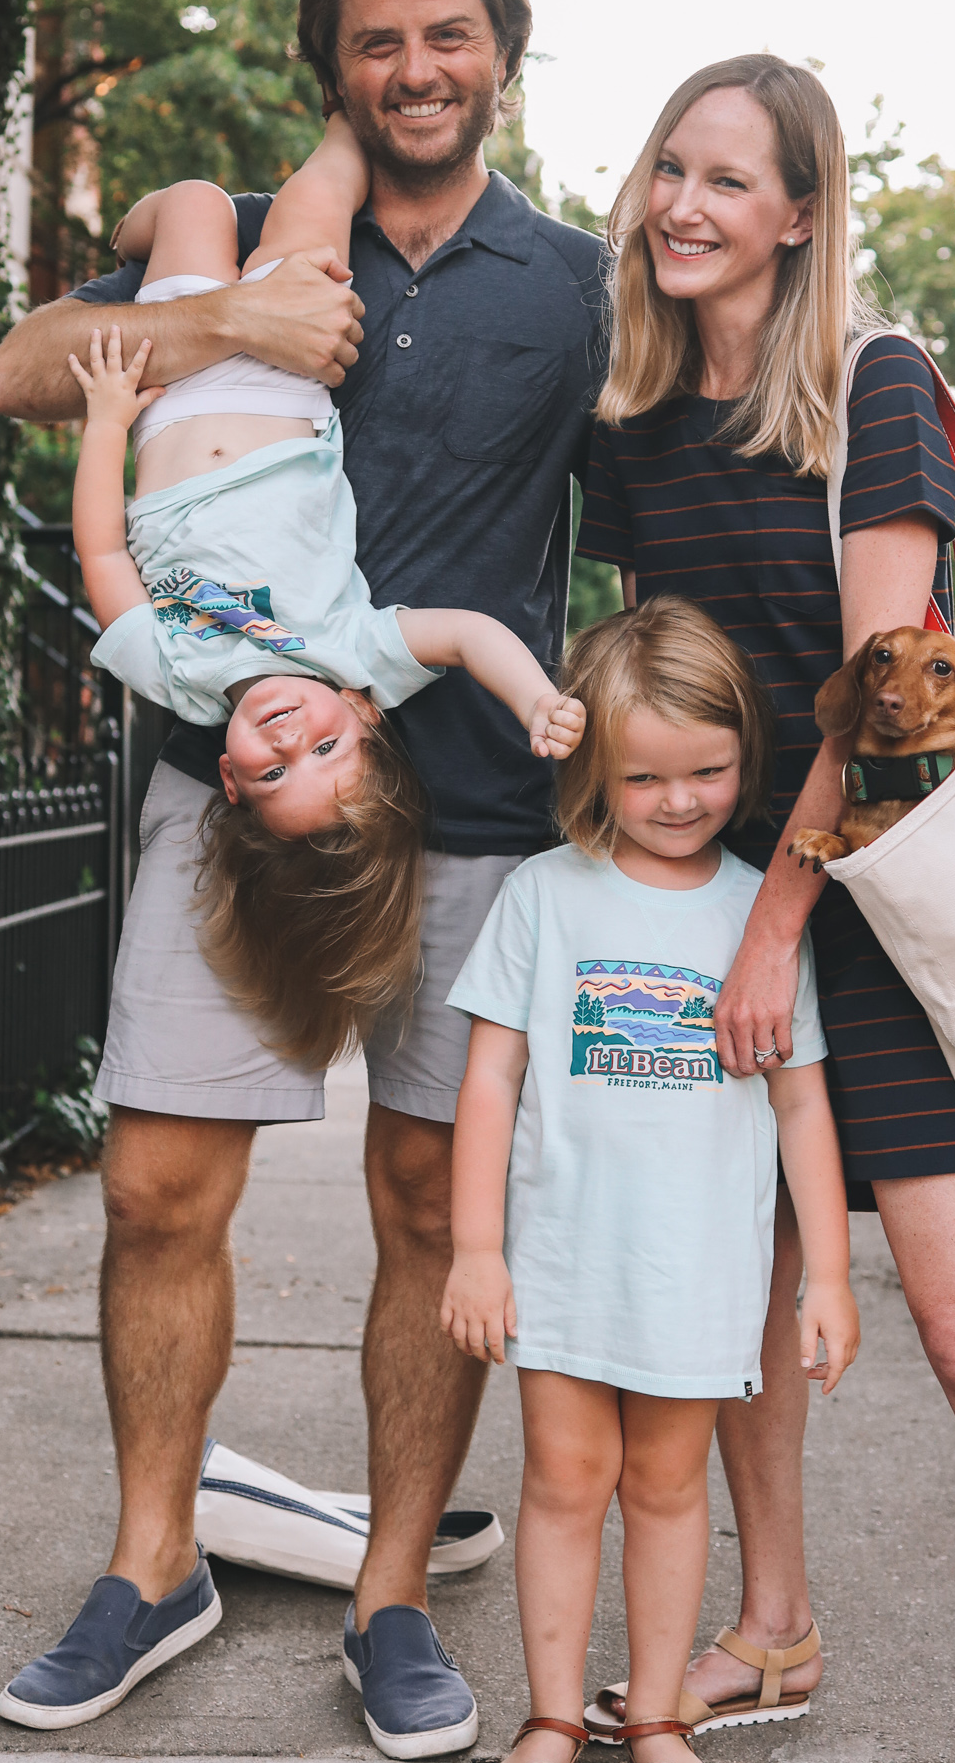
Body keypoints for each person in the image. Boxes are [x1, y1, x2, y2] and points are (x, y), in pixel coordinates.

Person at [0, 0, 608, 1756]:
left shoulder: (574, 283)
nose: (415, 68)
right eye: (377, 40)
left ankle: (395, 1592)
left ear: (500, 45)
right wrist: (216, 325)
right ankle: (151, 1563)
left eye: (447, 33)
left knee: (433, 1199)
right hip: (228, 787)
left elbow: (704, 449)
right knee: (161, 1184)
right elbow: (15, 370)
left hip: (482, 806)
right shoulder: (244, 245)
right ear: (332, 65)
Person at [575, 56, 955, 1763]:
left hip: (863, 925)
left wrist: (768, 930)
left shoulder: (869, 390)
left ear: (801, 214)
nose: (686, 204)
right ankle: (774, 1625)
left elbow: (892, 697)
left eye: (730, 178)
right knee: (732, 1309)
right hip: (716, 918)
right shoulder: (638, 421)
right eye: (671, 165)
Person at [443, 595, 858, 1763]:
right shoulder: (543, 898)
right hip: (565, 1264)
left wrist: (827, 1275)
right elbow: (489, 1081)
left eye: (708, 772)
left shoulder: (761, 919)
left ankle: (662, 1717)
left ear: (747, 757)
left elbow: (801, 1109)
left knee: (672, 1490)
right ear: (593, 768)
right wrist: (475, 1249)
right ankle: (557, 1720)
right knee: (566, 1484)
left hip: (699, 1275)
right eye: (645, 777)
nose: (679, 800)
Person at [63, 127, 585, 1064]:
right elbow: (467, 634)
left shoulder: (177, 676)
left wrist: (106, 424)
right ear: (363, 715)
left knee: (191, 201)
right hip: (283, 381)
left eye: (271, 771)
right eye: (325, 748)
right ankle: (345, 121)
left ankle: (139, 230)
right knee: (328, 183)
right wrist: (536, 698)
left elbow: (102, 552)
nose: (286, 737)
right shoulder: (348, 653)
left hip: (173, 395)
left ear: (227, 778)